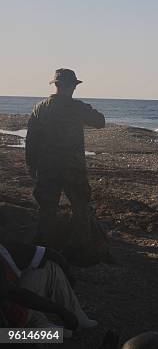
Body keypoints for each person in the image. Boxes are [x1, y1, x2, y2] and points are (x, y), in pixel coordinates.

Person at [26, 69, 106, 261]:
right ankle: (81, 252)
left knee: (46, 211)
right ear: (72, 86)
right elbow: (100, 121)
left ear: (56, 85)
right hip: (73, 168)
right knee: (80, 209)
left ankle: (43, 253)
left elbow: (31, 140)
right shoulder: (76, 107)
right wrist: (85, 108)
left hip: (47, 168)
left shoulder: (40, 108)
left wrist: (31, 166)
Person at [0, 239, 97, 333]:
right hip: (8, 328)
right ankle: (75, 319)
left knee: (34, 268)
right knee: (50, 267)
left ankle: (41, 325)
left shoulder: (6, 248)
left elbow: (48, 253)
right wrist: (61, 311)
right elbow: (13, 293)